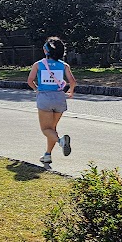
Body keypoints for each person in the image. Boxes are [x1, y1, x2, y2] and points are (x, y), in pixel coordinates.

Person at [26, 36, 77, 166]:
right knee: (52, 128)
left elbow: (30, 81)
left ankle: (61, 142)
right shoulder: (64, 65)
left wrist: (36, 89)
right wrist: (70, 90)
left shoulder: (38, 64)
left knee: (45, 129)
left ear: (46, 50)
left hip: (45, 98)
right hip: (60, 97)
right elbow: (72, 81)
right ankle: (47, 155)